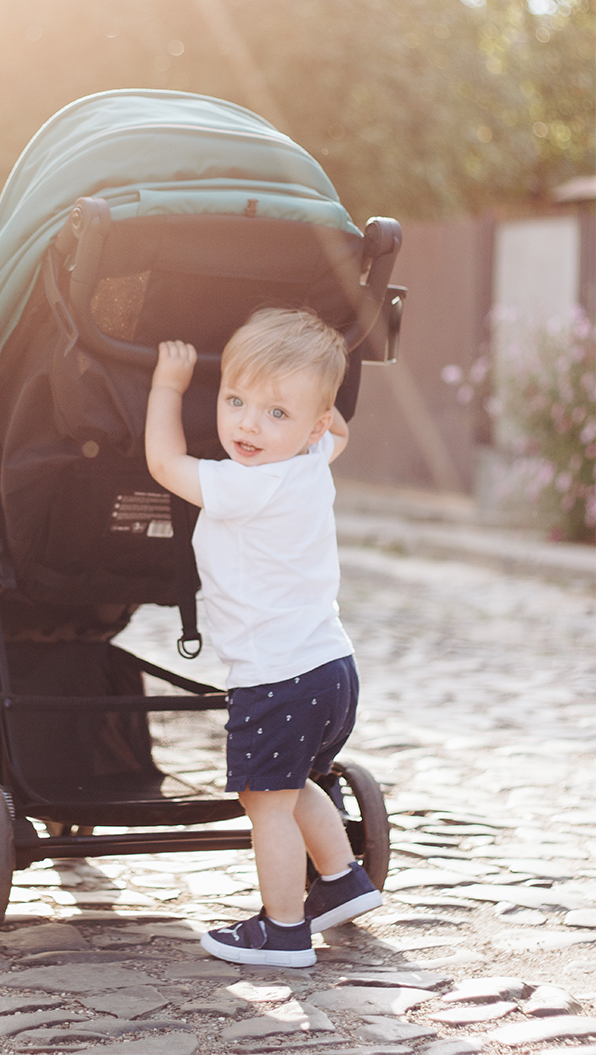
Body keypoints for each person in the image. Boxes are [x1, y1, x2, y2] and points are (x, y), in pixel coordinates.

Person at [144, 307, 382, 968]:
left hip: (277, 679)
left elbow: (164, 462)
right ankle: (340, 881)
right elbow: (341, 429)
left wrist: (170, 384)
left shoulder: (241, 485)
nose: (248, 423)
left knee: (265, 802)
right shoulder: (312, 460)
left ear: (306, 425)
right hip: (331, 669)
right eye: (235, 399)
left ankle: (282, 931)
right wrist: (310, 410)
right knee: (293, 780)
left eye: (275, 413)